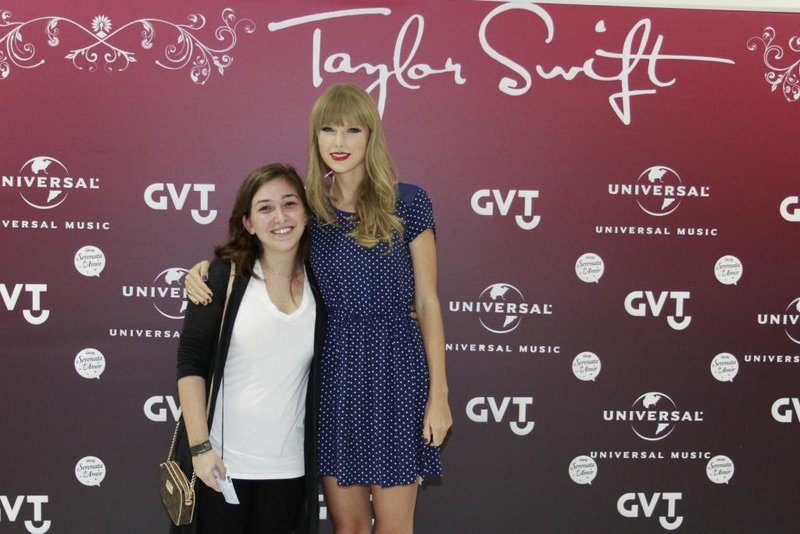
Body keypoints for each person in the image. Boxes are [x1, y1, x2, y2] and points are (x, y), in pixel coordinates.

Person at [186, 83, 452, 533]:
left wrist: (439, 395)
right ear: (316, 138)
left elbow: (427, 301)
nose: (339, 143)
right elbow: (265, 246)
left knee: (394, 528)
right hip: (333, 377)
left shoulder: (409, 203)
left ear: (371, 136)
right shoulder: (310, 208)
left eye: (352, 130)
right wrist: (203, 270)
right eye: (328, 130)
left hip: (397, 372)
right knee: (348, 528)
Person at [175, 163, 325, 534]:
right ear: (248, 223)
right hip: (221, 468)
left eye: (290, 204)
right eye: (265, 208)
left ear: (306, 213)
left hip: (289, 469)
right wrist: (199, 449)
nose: (280, 217)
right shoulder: (221, 277)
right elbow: (191, 364)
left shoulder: (323, 284)